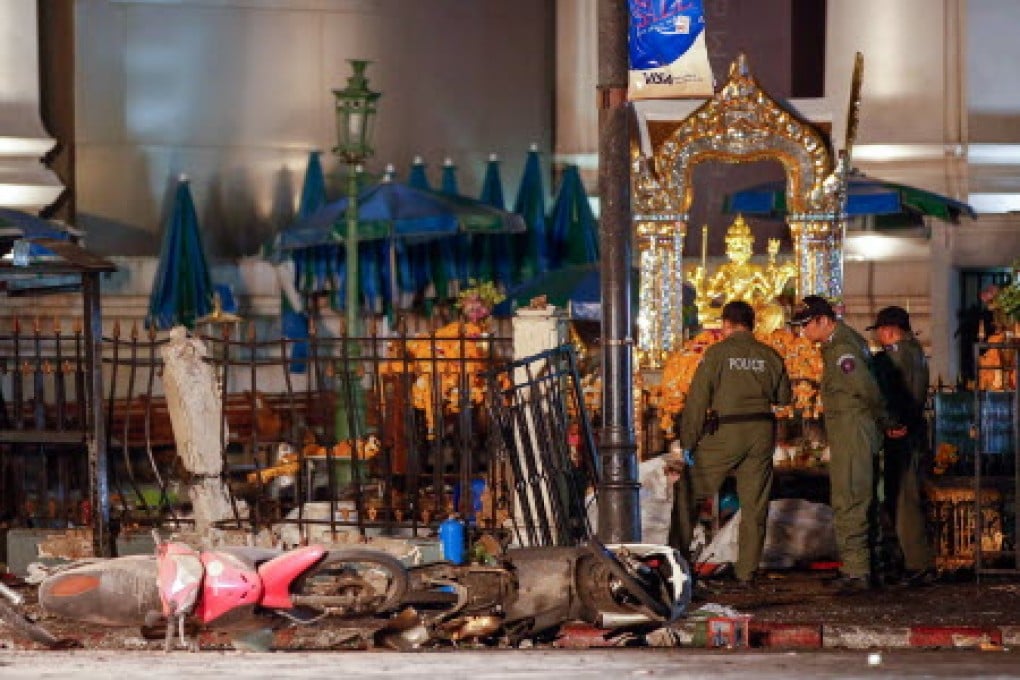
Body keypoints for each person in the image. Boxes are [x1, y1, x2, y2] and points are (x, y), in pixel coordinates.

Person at [672, 300, 791, 586]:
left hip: (726, 431)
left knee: (689, 492)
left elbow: (698, 401)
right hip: (761, 432)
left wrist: (688, 441)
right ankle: (746, 572)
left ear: (726, 324)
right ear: (752, 324)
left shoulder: (717, 354)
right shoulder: (770, 354)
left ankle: (674, 565)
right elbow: (785, 398)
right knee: (755, 505)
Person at [789, 296, 892, 593]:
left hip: (853, 430)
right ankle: (869, 566)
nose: (803, 332)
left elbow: (866, 390)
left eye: (805, 325)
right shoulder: (839, 344)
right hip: (854, 429)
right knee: (860, 497)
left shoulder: (843, 349)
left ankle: (857, 571)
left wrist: (887, 420)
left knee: (850, 498)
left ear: (823, 320)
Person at [867, 306, 935, 586]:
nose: (879, 339)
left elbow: (897, 393)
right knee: (903, 496)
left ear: (889, 330)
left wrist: (893, 423)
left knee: (904, 500)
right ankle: (911, 561)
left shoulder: (899, 354)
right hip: (911, 433)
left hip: (903, 434)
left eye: (880, 333)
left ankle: (917, 563)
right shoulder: (916, 352)